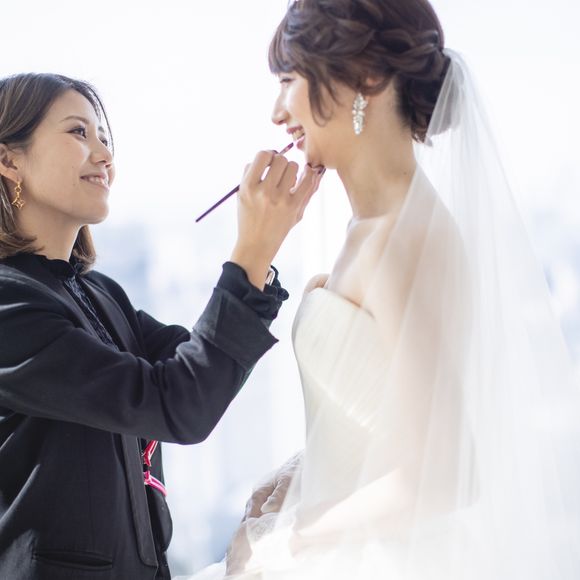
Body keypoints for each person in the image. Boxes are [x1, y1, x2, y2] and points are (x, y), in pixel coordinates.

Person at [183, 1, 580, 579]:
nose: (276, 112)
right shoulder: (371, 228)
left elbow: (444, 474)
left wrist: (290, 537)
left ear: (364, 79)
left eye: (288, 80)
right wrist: (297, 473)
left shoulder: (403, 238)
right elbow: (382, 415)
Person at [0, 72, 324, 580]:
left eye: (104, 138)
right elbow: (177, 405)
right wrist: (253, 248)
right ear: (8, 160)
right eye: (78, 132)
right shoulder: (9, 306)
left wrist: (259, 256)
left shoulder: (102, 293)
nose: (105, 156)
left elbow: (198, 373)